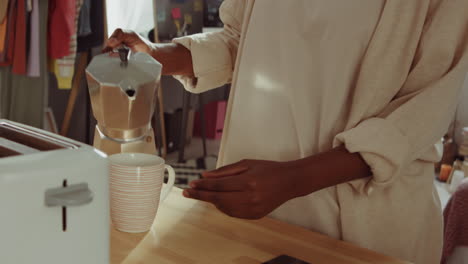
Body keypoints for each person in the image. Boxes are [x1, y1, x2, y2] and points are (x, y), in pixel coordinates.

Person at [103, 0, 468, 263]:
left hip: (363, 229)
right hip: (250, 207)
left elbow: (424, 107)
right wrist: (158, 55)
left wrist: (293, 179)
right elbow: (239, 39)